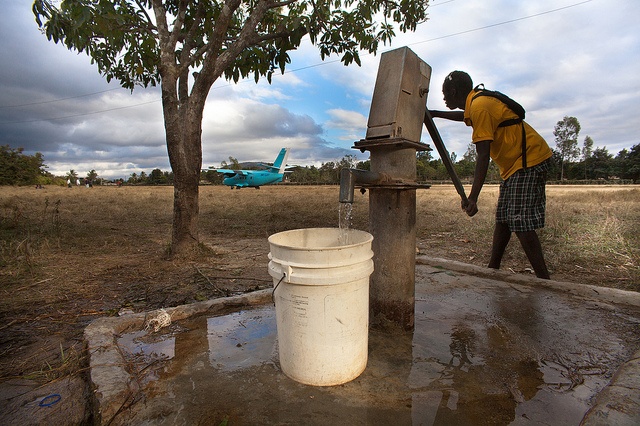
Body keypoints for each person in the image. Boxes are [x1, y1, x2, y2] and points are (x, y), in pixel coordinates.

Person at [430, 70, 552, 279]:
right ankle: (492, 269)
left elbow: (483, 154)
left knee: (520, 222)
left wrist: (473, 197)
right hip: (515, 166)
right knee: (504, 219)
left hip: (529, 160)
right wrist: (435, 113)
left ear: (453, 90)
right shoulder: (476, 104)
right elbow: (465, 116)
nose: (443, 98)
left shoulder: (479, 106)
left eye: (444, 94)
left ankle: (545, 280)